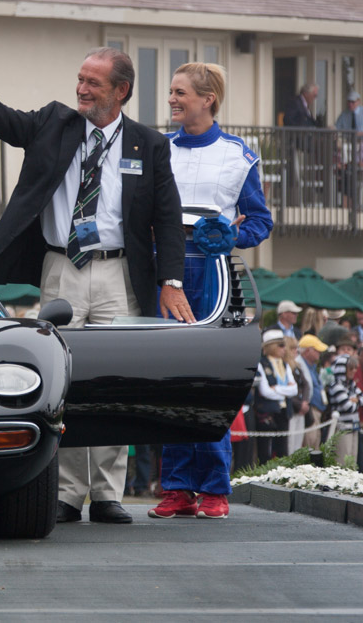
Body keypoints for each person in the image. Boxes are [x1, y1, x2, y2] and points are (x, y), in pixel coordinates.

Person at [0, 28, 192, 525]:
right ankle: (69, 493)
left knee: (112, 382)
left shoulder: (148, 144)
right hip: (62, 269)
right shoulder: (53, 123)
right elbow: (3, 120)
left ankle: (108, 494)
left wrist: (172, 280)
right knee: (65, 381)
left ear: (121, 91)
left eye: (93, 82)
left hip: (120, 273)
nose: (82, 89)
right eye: (79, 79)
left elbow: (167, 216)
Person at [148, 62, 272, 520]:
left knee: (211, 379)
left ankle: (216, 488)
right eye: (172, 92)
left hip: (215, 278)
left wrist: (229, 237)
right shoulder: (159, 150)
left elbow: (260, 221)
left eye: (180, 92)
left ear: (208, 99)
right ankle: (178, 487)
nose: (172, 100)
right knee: (171, 379)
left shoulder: (239, 155)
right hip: (167, 275)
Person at [254, 329, 297, 462]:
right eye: (281, 345)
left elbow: (294, 390)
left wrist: (277, 389)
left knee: (282, 450)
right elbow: (265, 391)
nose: (284, 349)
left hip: (283, 412)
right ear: (271, 346)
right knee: (265, 451)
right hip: (268, 413)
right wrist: (285, 391)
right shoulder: (261, 364)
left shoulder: (285, 365)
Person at [325, 342, 360, 467]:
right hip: (342, 429)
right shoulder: (336, 386)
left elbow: (361, 398)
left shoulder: (351, 385)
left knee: (353, 461)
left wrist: (356, 400)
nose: (354, 371)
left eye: (355, 368)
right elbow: (348, 406)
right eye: (351, 368)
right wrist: (354, 400)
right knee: (342, 461)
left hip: (354, 427)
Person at [298, 334, 330, 449]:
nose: (319, 353)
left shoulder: (312, 366)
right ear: (307, 351)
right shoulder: (300, 364)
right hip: (310, 409)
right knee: (309, 444)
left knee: (315, 443)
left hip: (317, 411)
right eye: (316, 350)